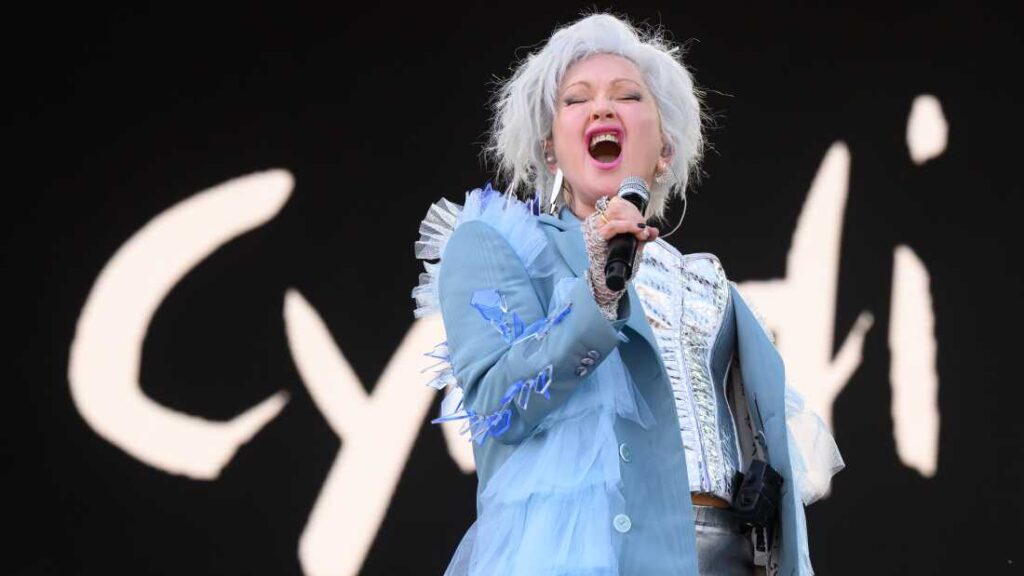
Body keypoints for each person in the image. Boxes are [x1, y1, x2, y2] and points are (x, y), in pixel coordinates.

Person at [412, 13, 842, 576]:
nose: (602, 108)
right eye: (576, 99)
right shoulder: (501, 248)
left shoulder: (709, 281)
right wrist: (595, 295)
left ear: (664, 148)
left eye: (627, 95)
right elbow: (499, 403)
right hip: (595, 554)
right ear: (549, 149)